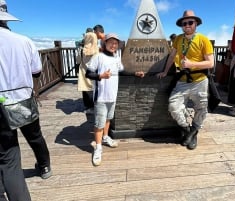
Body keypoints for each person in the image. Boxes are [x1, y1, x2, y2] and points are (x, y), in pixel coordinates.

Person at [0, 1, 52, 182]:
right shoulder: (25, 41)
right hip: (23, 98)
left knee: (6, 145)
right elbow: (36, 71)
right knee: (34, 135)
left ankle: (11, 176)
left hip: (1, 103)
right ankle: (44, 166)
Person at [157, 10, 214, 150]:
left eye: (190, 22)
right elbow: (172, 56)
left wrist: (191, 64)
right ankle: (187, 130)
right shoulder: (178, 39)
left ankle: (194, 132)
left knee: (201, 109)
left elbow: (211, 63)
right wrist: (165, 71)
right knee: (174, 106)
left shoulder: (203, 39)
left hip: (200, 80)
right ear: (181, 25)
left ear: (196, 24)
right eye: (184, 23)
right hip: (182, 80)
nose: (187, 25)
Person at [86, 33, 144, 166]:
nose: (113, 45)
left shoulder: (116, 57)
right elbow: (88, 73)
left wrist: (135, 73)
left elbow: (122, 71)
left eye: (115, 43)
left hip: (112, 95)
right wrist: (101, 76)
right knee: (99, 124)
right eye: (110, 42)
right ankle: (98, 148)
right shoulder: (98, 57)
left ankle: (106, 138)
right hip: (100, 97)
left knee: (108, 119)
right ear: (104, 43)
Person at [76, 31, 99, 114]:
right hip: (95, 73)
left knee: (86, 90)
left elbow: (78, 60)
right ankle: (96, 106)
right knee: (96, 90)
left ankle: (90, 108)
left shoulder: (82, 50)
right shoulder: (97, 50)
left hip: (84, 73)